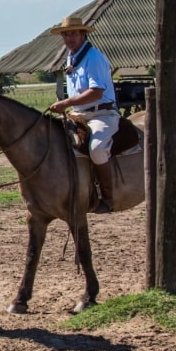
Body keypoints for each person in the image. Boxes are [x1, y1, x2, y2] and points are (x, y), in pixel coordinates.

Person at [48, 14, 119, 214]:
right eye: (65, 35)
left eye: (73, 34)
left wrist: (66, 103)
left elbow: (96, 92)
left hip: (101, 115)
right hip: (78, 114)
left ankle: (108, 197)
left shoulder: (94, 58)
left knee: (96, 149)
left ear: (82, 34)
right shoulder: (72, 57)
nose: (69, 39)